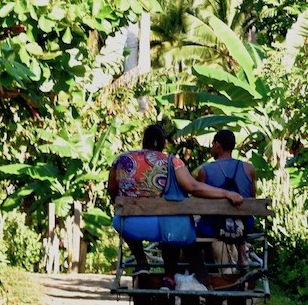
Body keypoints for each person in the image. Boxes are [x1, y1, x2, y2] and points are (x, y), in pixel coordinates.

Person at [108, 124, 243, 290]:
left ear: (143, 141)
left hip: (127, 225)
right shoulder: (172, 162)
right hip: (162, 227)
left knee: (124, 218)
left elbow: (112, 190)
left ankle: (141, 261)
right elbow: (193, 187)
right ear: (164, 143)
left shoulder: (121, 159)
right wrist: (226, 193)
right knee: (174, 225)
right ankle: (169, 277)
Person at [194, 129, 257, 267]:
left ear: (217, 145)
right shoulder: (249, 169)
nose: (212, 148)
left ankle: (196, 266)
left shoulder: (204, 171)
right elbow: (252, 198)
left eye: (212, 144)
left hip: (213, 227)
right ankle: (242, 251)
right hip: (244, 226)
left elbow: (198, 203)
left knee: (196, 224)